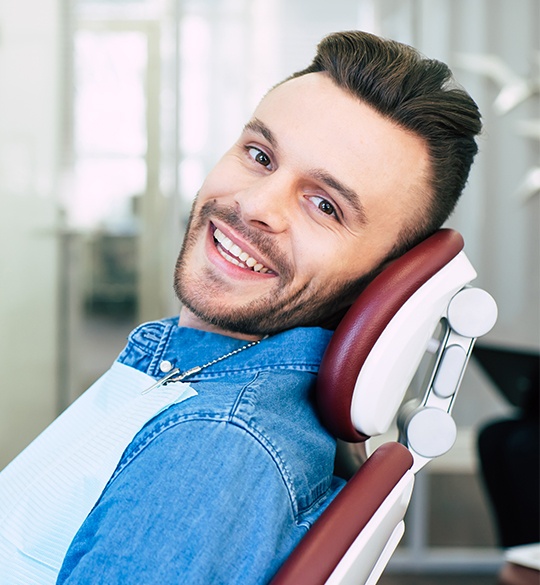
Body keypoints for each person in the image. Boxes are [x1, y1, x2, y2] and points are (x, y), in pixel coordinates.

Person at [4, 30, 482, 584]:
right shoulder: (190, 378)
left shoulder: (212, 446)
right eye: (260, 155)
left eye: (324, 206)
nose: (254, 205)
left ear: (378, 280)